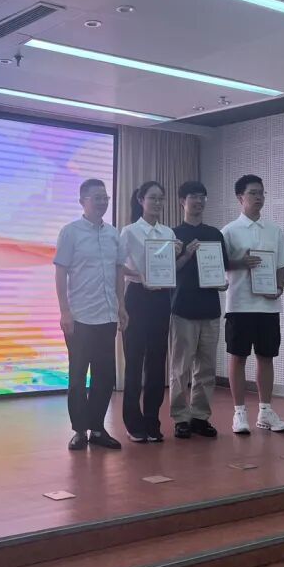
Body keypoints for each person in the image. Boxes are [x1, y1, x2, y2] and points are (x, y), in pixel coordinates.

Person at [54, 179, 127, 451]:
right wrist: (65, 311)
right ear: (82, 201)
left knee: (104, 376)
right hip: (80, 317)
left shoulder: (113, 234)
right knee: (77, 377)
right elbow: (61, 272)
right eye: (97, 197)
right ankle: (79, 430)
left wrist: (121, 306)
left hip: (107, 315)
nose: (103, 202)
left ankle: (97, 429)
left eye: (105, 197)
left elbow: (119, 272)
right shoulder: (70, 232)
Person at [221, 174, 284, 434]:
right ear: (240, 197)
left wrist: (279, 288)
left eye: (262, 193)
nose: (259, 197)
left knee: (266, 357)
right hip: (239, 305)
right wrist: (240, 262)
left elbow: (282, 265)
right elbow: (218, 264)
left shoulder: (274, 230)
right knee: (238, 357)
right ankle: (239, 413)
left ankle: (265, 411)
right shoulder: (229, 231)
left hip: (268, 307)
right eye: (253, 193)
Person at [119, 181, 180, 443]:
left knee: (157, 361)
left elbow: (168, 267)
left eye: (160, 198)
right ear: (140, 200)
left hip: (161, 299)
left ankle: (152, 420)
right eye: (152, 198)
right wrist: (139, 275)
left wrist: (178, 253)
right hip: (137, 296)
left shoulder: (168, 232)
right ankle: (133, 423)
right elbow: (118, 265)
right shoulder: (130, 231)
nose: (157, 203)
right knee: (134, 361)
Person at [169, 181, 228, 439]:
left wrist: (222, 283)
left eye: (203, 197)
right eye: (193, 196)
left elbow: (222, 268)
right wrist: (186, 255)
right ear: (182, 201)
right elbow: (167, 272)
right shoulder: (173, 234)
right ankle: (180, 418)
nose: (199, 201)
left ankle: (200, 417)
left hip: (210, 309)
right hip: (182, 308)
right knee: (180, 368)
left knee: (206, 369)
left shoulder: (215, 234)